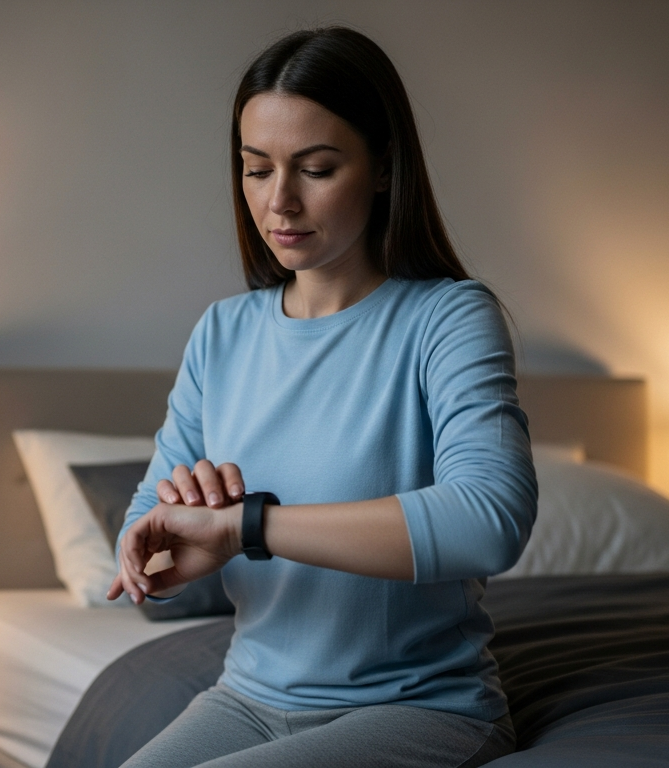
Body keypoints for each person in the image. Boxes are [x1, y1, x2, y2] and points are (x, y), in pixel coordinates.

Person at [106, 26, 537, 768]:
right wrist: (154, 550)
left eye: (316, 168)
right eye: (255, 169)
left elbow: (489, 519)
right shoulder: (223, 333)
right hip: (245, 697)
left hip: (419, 708)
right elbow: (148, 518)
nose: (280, 202)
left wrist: (249, 527)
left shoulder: (449, 317)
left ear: (380, 168)